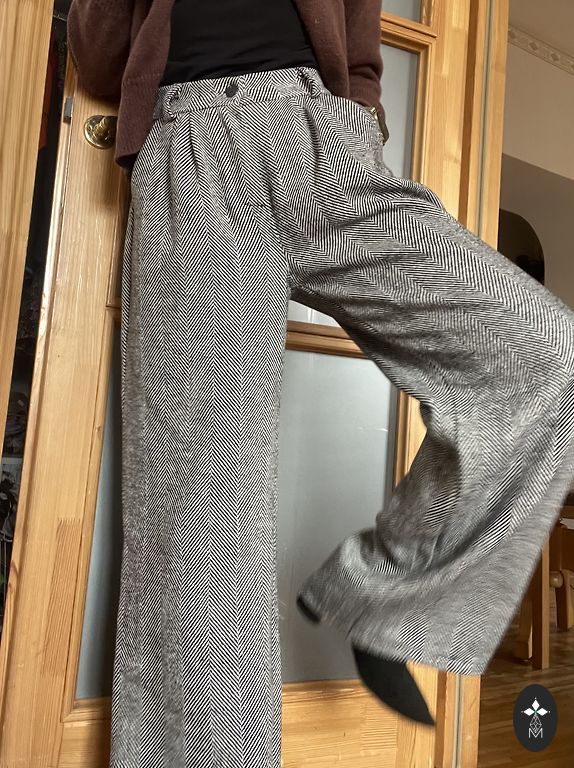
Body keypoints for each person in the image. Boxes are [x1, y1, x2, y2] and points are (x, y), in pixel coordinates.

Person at [68, 1, 574, 766]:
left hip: (319, 136)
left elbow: (360, 47)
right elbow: (98, 55)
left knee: (543, 356)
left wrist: (357, 127)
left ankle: (387, 596)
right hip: (194, 146)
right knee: (201, 529)